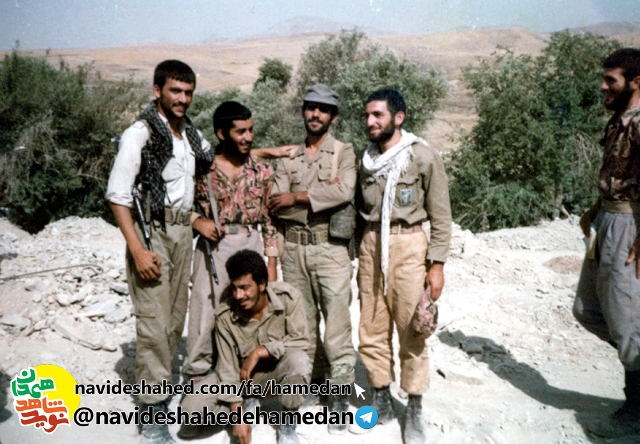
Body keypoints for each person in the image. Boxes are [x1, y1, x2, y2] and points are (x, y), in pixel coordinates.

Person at [106, 59, 213, 444]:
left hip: (182, 233)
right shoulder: (140, 133)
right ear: (157, 91)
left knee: (172, 323)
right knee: (153, 324)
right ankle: (152, 416)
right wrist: (137, 249)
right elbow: (118, 196)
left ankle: (160, 393)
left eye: (188, 92)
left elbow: (213, 158)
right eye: (175, 91)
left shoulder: (190, 135)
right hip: (151, 233)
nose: (182, 99)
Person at [354, 88, 451, 444]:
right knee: (372, 328)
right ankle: (380, 398)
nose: (370, 121)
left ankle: (414, 409)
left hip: (409, 245)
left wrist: (436, 265)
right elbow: (358, 209)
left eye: (377, 115)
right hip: (371, 245)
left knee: (413, 330)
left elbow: (441, 216)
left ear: (398, 117)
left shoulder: (421, 156)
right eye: (367, 115)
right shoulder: (366, 159)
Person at [268, 84, 356, 433]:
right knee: (300, 325)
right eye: (310, 107)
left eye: (323, 109)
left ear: (333, 116)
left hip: (330, 249)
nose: (315, 114)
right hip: (292, 250)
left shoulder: (343, 152)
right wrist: (320, 197)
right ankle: (311, 382)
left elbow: (344, 190)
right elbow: (275, 202)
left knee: (337, 325)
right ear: (303, 111)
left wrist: (298, 196)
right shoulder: (288, 156)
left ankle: (340, 395)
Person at [182, 101, 279, 383]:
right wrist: (196, 221)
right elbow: (178, 204)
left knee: (248, 311)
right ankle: (198, 377)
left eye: (250, 130)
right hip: (213, 246)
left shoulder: (262, 171)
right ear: (222, 134)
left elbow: (270, 221)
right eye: (240, 132)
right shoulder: (201, 168)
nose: (248, 137)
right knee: (204, 311)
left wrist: (271, 264)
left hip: (250, 243)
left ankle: (245, 378)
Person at [573, 48, 640, 439]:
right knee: (587, 309)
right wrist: (596, 208)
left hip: (630, 225)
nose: (603, 86)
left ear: (635, 81)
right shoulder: (620, 119)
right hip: (609, 220)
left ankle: (635, 411)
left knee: (628, 323)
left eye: (611, 79)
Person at [179, 249, 311, 444]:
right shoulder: (225, 316)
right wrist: (237, 414)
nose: (238, 295)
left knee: (299, 362)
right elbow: (227, 368)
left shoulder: (288, 298)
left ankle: (287, 423)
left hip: (275, 374)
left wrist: (260, 352)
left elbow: (301, 340)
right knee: (190, 413)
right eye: (234, 288)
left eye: (244, 287)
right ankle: (248, 403)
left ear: (262, 284)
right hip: (241, 379)